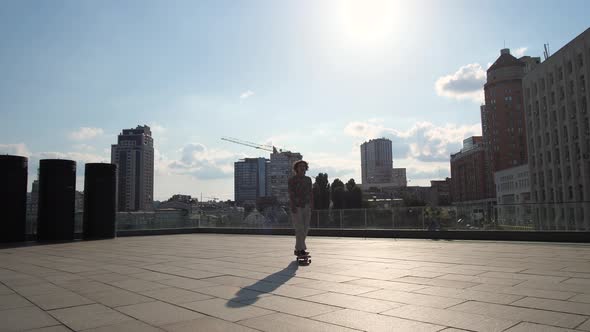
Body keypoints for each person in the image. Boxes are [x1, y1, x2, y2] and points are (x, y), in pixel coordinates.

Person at [288, 160, 313, 257]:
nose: (302, 168)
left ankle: (298, 249)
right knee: (299, 228)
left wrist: (312, 204)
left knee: (306, 228)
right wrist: (293, 205)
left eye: (304, 166)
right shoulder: (292, 180)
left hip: (307, 206)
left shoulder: (308, 180)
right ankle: (301, 250)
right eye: (300, 166)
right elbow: (291, 193)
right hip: (297, 206)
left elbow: (311, 192)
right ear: (296, 168)